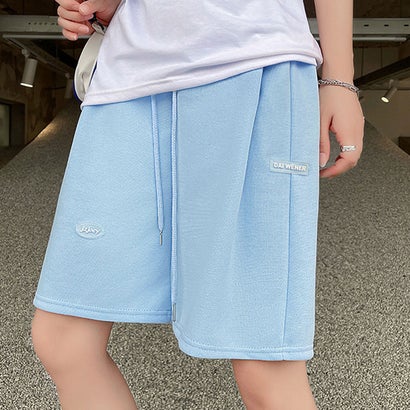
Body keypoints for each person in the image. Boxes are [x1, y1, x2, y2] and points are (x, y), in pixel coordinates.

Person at [31, 0, 365, 408]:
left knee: (265, 369)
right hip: (127, 77)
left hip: (253, 57)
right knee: (63, 339)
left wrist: (339, 80)